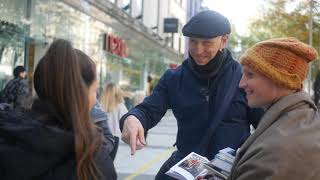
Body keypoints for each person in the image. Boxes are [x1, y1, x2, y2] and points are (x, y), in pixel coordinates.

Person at [120, 10, 263, 179]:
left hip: (230, 172)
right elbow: (148, 110)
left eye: (206, 43)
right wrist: (133, 118)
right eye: (193, 42)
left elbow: (266, 125)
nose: (197, 49)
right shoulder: (173, 78)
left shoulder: (243, 79)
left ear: (223, 41)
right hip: (189, 167)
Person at [0, 39, 117, 180]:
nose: (95, 99)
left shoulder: (7, 135)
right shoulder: (93, 160)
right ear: (81, 94)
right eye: (95, 91)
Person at [228, 37, 320, 180]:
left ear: (278, 78)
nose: (241, 84)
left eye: (250, 75)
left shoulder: (276, 152)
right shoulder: (303, 118)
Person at [100, 82, 128, 159]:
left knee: (102, 161)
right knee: (110, 161)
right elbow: (125, 118)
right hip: (114, 136)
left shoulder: (101, 105)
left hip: (101, 135)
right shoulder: (120, 105)